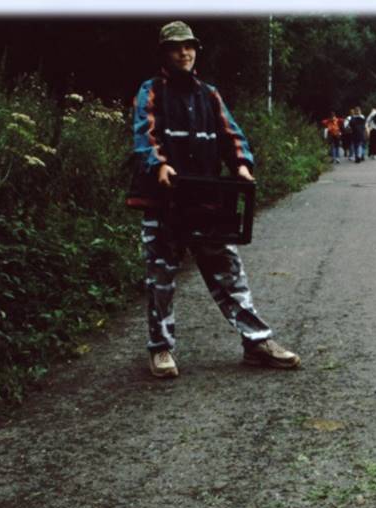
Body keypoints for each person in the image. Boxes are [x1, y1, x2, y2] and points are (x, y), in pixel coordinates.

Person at [126, 21, 300, 379]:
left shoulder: (209, 94)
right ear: (164, 53)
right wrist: (158, 165)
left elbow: (232, 135)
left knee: (230, 274)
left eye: (188, 46)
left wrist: (241, 165)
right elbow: (145, 133)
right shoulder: (151, 90)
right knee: (160, 278)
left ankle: (256, 343)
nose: (184, 53)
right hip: (164, 201)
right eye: (176, 47)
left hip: (206, 200)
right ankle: (160, 349)